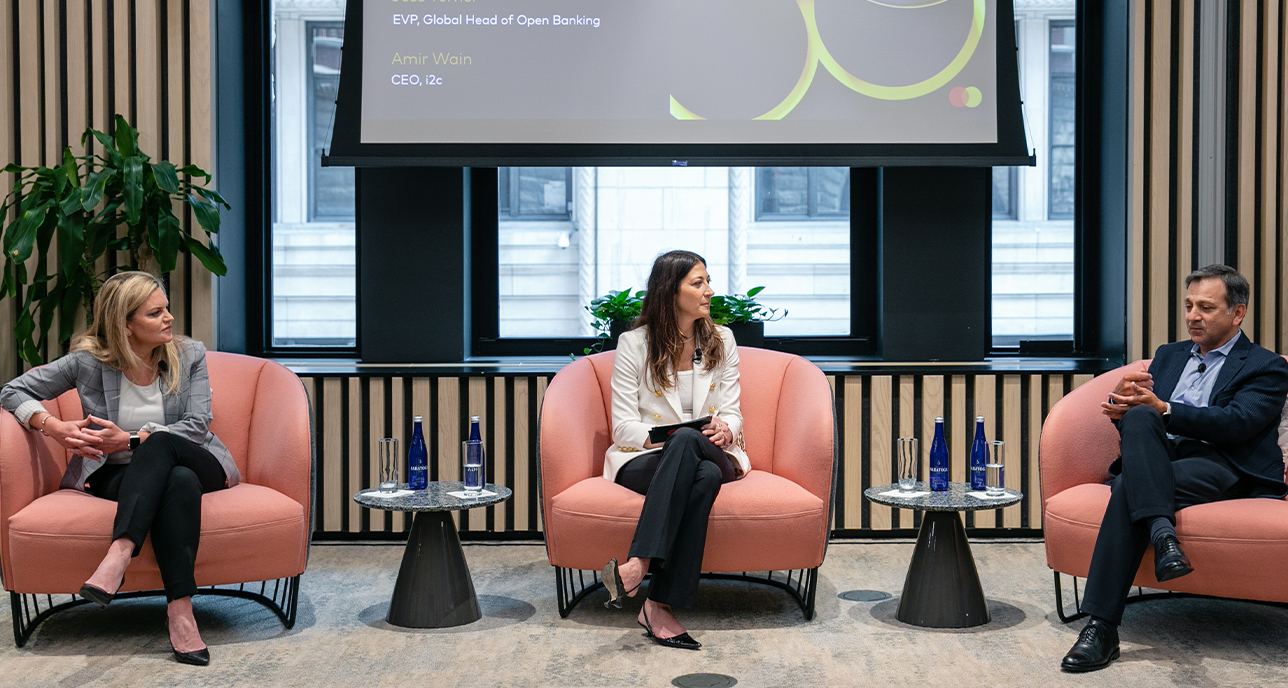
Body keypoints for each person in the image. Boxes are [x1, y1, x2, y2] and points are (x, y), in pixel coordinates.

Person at [0, 271, 241, 666]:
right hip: (120, 474)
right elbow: (12, 390)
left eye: (167, 309)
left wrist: (129, 440)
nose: (169, 319)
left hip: (198, 460)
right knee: (176, 483)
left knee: (164, 447)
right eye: (155, 313)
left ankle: (119, 555)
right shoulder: (87, 363)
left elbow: (197, 425)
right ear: (125, 325)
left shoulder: (189, 354)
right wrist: (53, 426)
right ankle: (181, 614)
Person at [1060, 264, 1288, 672]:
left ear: (1238, 313)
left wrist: (1163, 408)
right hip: (1161, 457)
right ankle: (1164, 537)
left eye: (1205, 307)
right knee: (1139, 418)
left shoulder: (1266, 366)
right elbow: (1145, 419)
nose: (1192, 316)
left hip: (1223, 462)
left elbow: (1237, 423)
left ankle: (1101, 626)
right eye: (1188, 306)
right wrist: (1124, 405)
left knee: (1131, 485)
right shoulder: (1167, 355)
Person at [598, 250, 751, 650]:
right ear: (670, 291)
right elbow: (623, 426)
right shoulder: (634, 344)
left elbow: (733, 412)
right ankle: (657, 607)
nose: (709, 291)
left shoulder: (721, 340)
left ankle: (638, 564)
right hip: (647, 457)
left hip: (713, 449)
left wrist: (725, 428)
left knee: (693, 444)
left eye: (707, 281)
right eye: (697, 283)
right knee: (704, 476)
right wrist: (668, 435)